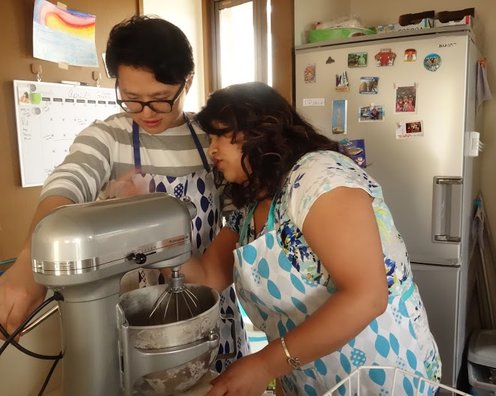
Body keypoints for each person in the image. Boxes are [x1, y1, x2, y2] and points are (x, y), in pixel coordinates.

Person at [0, 15, 248, 373]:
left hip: (209, 307)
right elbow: (66, 186)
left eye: (161, 99)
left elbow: (238, 215)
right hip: (135, 319)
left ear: (187, 82)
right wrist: (29, 262)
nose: (145, 112)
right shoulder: (106, 138)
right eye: (131, 99)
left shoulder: (211, 139)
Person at [182, 81, 442, 395]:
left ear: (258, 132)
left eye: (219, 136)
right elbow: (207, 277)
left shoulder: (319, 179)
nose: (212, 150)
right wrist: (150, 235)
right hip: (309, 379)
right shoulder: (250, 208)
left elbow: (367, 297)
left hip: (379, 377)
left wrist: (265, 365)